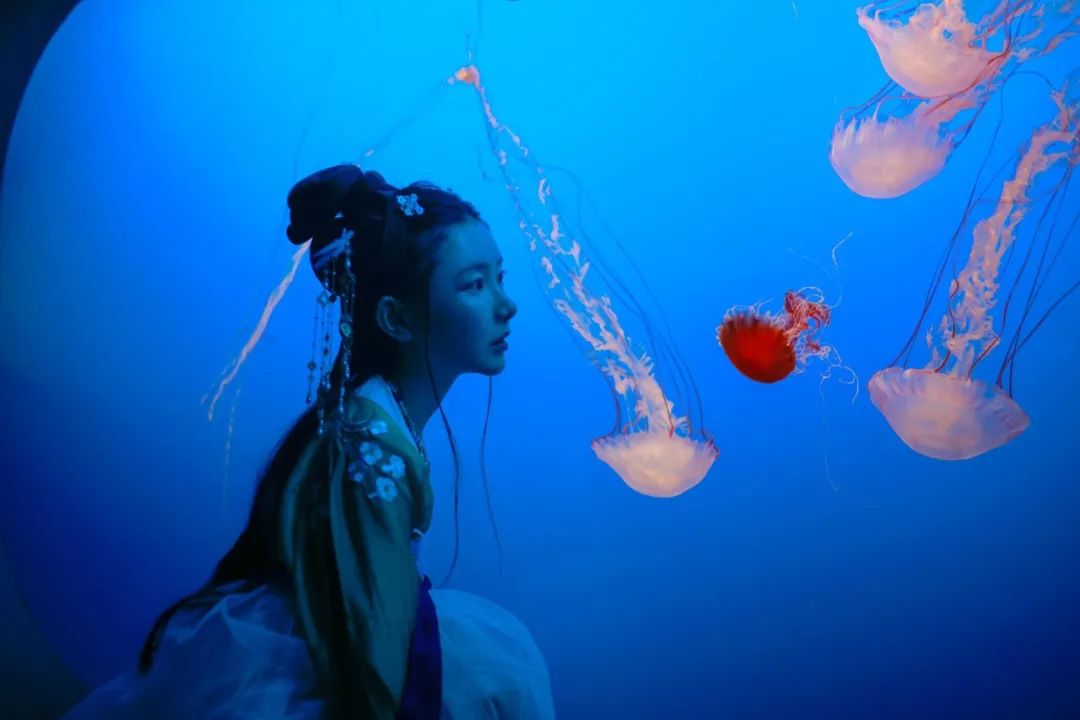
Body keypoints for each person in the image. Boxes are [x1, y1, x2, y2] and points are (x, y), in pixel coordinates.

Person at [62, 163, 556, 719]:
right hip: (330, 652)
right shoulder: (369, 444)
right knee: (505, 673)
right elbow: (373, 637)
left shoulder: (377, 420)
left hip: (354, 627)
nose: (505, 304)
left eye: (499, 277)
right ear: (395, 319)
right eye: (474, 285)